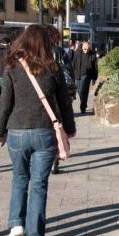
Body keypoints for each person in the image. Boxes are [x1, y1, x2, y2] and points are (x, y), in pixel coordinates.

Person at [0, 24, 76, 236]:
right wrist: (69, 128)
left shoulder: (12, 67)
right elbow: (64, 104)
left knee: (19, 178)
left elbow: (4, 103)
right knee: (39, 184)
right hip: (44, 133)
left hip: (17, 132)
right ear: (45, 44)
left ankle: (16, 226)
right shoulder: (53, 68)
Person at [45, 25, 76, 174]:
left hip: (41, 97)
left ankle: (46, 158)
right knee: (57, 127)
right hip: (59, 94)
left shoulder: (36, 53)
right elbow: (68, 72)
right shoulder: (59, 52)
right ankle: (54, 161)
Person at [72, 41, 97, 113]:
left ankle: (83, 106)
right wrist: (72, 74)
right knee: (79, 91)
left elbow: (95, 67)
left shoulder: (92, 54)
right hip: (77, 75)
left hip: (87, 76)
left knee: (85, 92)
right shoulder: (77, 53)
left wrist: (94, 78)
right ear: (82, 47)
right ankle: (83, 103)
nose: (86, 51)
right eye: (84, 49)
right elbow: (73, 63)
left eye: (87, 49)